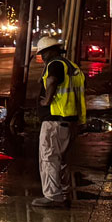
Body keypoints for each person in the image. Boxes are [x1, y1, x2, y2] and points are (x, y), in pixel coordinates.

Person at [32, 36, 86, 208]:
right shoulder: (71, 66)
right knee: (61, 160)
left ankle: (52, 196)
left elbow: (52, 80)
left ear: (51, 51)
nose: (43, 56)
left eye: (44, 53)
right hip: (69, 120)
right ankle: (62, 193)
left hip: (55, 120)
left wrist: (46, 100)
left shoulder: (55, 64)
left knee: (48, 158)